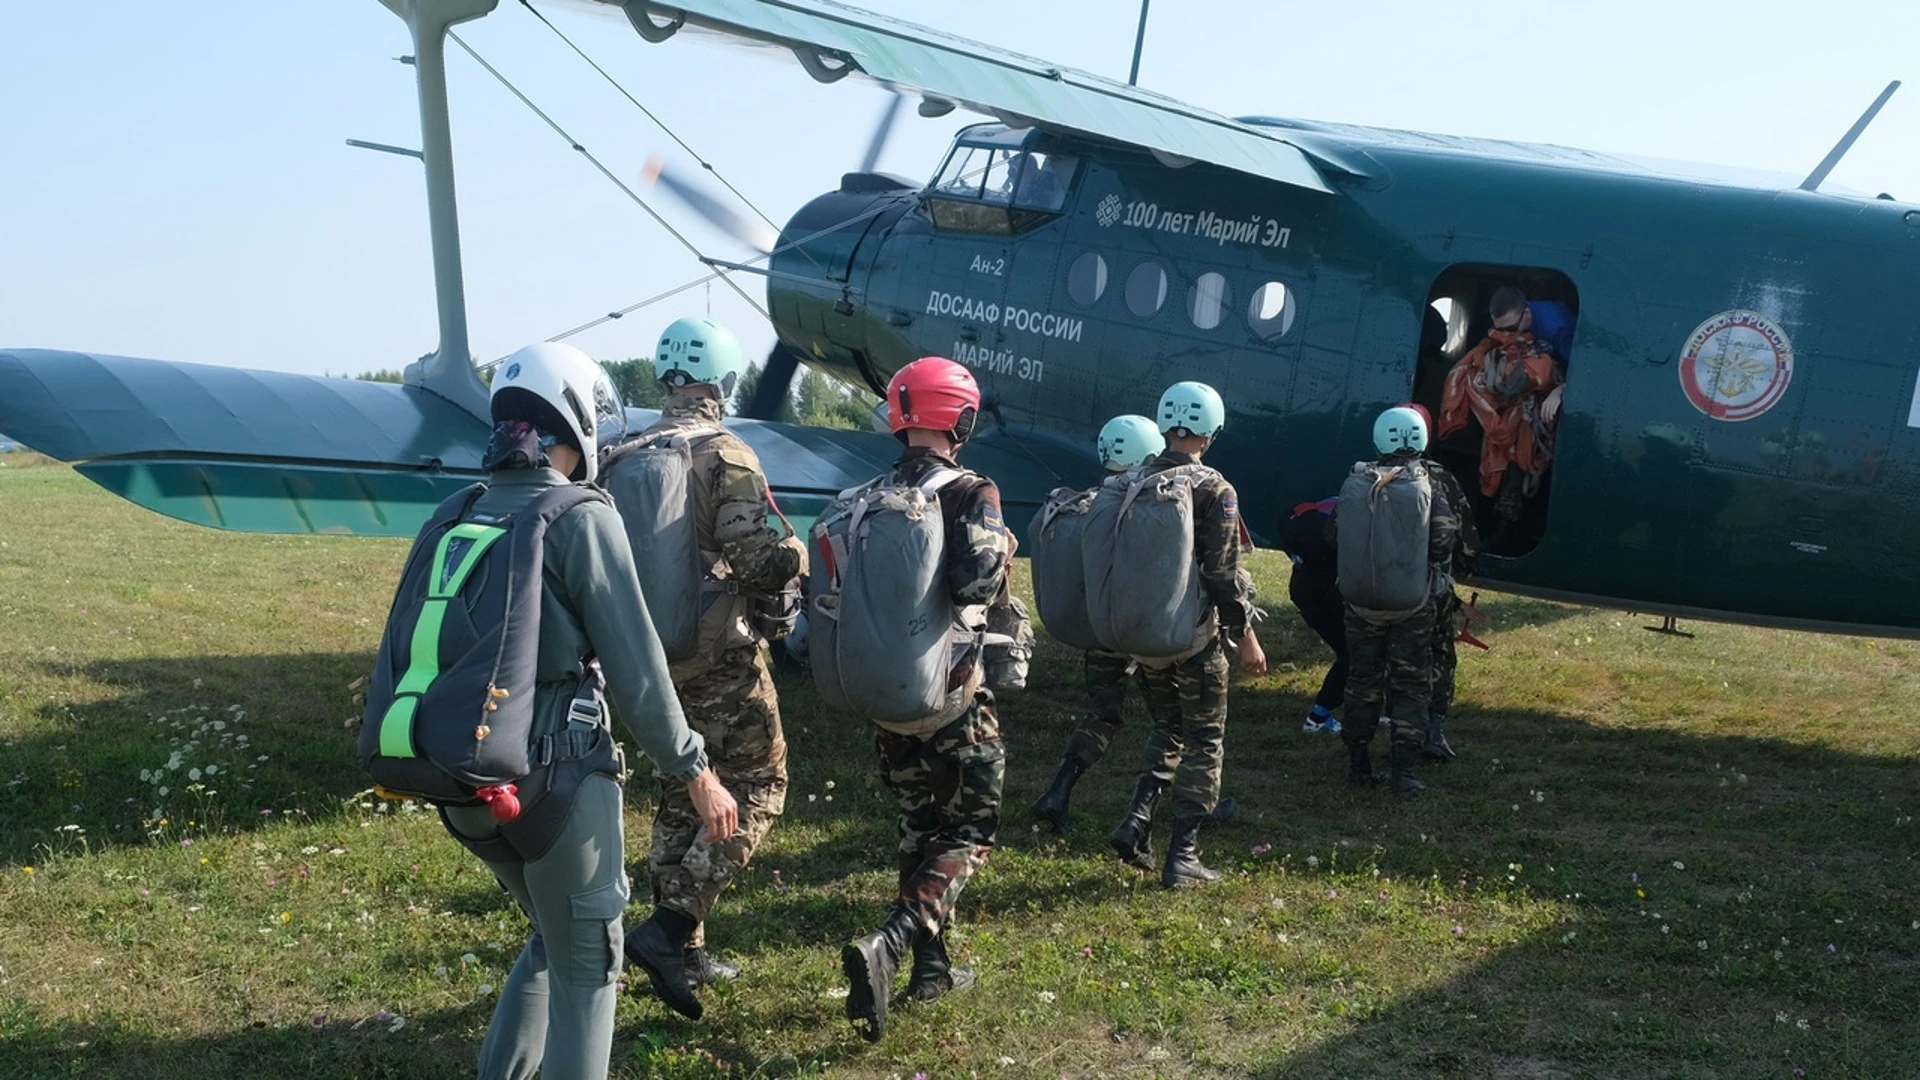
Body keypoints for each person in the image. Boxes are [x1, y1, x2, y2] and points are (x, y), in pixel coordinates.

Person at [441, 342, 739, 1080]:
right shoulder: (578, 514)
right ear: (573, 417)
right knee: (590, 971)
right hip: (556, 778)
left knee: (550, 938)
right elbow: (637, 670)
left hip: (463, 779)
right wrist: (695, 772)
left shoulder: (459, 509)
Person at [620, 318, 806, 1020]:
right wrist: (798, 558)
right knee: (761, 782)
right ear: (723, 381)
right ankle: (669, 930)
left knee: (682, 786)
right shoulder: (727, 454)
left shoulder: (620, 450)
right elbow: (758, 559)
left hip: (641, 656)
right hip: (718, 655)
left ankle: (687, 955)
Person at [841, 357, 1013, 1042]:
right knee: (969, 831)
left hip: (889, 695)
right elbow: (975, 585)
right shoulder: (973, 490)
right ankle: (891, 943)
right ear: (960, 418)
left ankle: (932, 968)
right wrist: (999, 541)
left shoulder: (869, 494)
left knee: (919, 824)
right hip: (951, 693)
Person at [1107, 381, 1267, 889]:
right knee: (1204, 740)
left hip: (1143, 636)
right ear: (1211, 432)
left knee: (1166, 727)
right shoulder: (1214, 489)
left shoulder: (1130, 481)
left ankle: (1136, 821)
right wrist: (1246, 638)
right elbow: (1222, 574)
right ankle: (1185, 857)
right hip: (1195, 640)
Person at [1031, 415, 1162, 835]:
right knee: (1175, 724)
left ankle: (1058, 793)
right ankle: (1175, 810)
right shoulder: (1146, 507)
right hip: (1145, 633)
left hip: (1099, 632)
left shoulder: (1088, 501)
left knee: (1104, 714)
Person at [1334, 406, 1458, 796]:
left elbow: (1334, 534)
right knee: (1410, 683)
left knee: (1362, 680)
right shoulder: (1428, 484)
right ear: (1421, 440)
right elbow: (1443, 540)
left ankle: (1358, 765)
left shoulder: (1357, 481)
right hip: (1411, 606)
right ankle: (1403, 771)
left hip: (1360, 605)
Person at [1438, 287, 1566, 535]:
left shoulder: (1556, 325)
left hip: (1537, 416)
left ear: (1526, 315)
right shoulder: (1502, 339)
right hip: (1505, 420)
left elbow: (1586, 369)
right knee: (1495, 470)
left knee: (1525, 472)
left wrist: (1559, 391)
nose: (1503, 334)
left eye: (1509, 329)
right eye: (1499, 329)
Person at [1401, 403, 1481, 763]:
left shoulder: (1363, 475)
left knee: (1373, 665)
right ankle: (1432, 731)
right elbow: (1464, 541)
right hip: (1426, 592)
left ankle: (1364, 749)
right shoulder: (1440, 478)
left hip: (1370, 593)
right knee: (1437, 658)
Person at [1279, 496, 1346, 734]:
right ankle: (1318, 717)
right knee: (1351, 656)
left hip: (1303, 589)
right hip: (1326, 597)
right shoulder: (1340, 521)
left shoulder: (1300, 516)